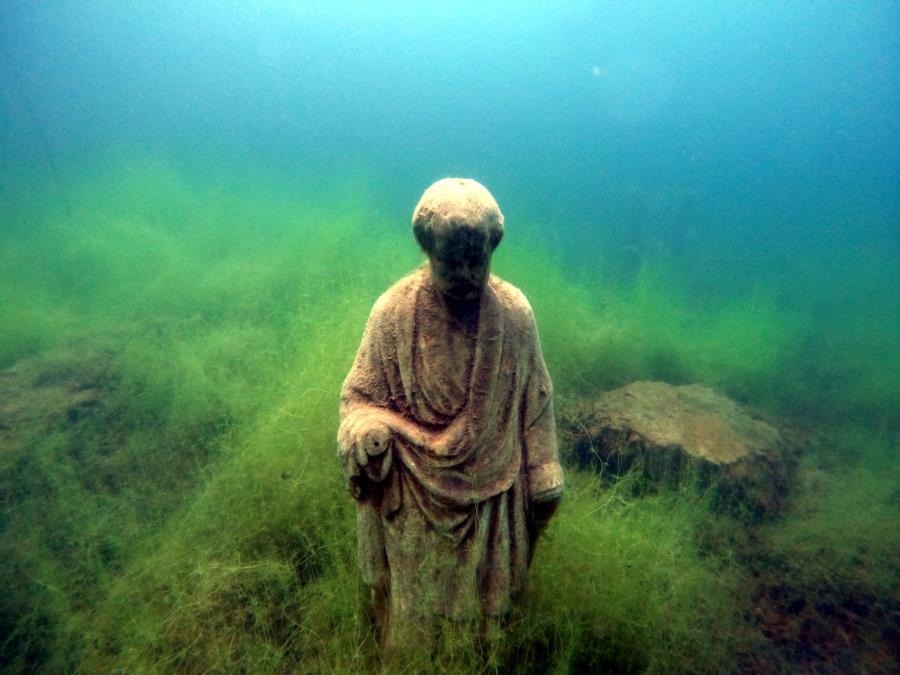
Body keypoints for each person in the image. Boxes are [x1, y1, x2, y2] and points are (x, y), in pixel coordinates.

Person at [338, 178, 563, 651]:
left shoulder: (515, 314)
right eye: (449, 262)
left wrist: (543, 466)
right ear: (427, 252)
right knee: (413, 625)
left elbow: (536, 396)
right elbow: (358, 398)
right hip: (416, 496)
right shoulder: (393, 313)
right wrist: (368, 431)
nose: (464, 273)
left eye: (474, 260)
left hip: (492, 498)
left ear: (491, 250)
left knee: (489, 624)